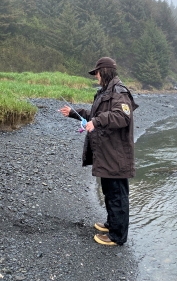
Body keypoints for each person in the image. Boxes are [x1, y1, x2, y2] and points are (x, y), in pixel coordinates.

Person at [59, 57, 138, 246]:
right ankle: (113, 223)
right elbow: (95, 115)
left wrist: (97, 121)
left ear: (104, 72)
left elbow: (122, 116)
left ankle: (117, 236)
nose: (96, 77)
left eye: (97, 73)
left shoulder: (119, 92)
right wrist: (73, 112)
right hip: (107, 152)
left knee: (118, 194)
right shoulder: (105, 92)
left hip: (116, 154)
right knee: (110, 191)